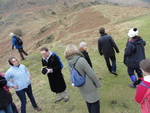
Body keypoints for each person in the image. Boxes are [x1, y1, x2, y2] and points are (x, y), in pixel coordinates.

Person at [64, 44, 102, 113]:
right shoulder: (81, 60)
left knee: (88, 100)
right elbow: (91, 73)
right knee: (94, 101)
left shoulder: (68, 62)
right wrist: (98, 83)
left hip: (80, 84)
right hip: (89, 85)